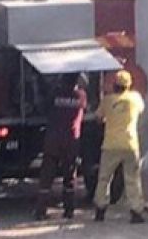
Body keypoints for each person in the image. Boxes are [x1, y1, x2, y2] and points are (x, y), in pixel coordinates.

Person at [93, 69, 145, 223]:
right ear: (129, 85)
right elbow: (141, 110)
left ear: (114, 84)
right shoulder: (136, 98)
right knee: (133, 178)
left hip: (110, 145)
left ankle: (100, 210)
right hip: (131, 144)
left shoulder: (107, 100)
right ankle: (136, 212)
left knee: (104, 178)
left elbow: (97, 118)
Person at [34, 74, 88, 220]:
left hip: (53, 140)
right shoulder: (80, 96)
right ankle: (69, 211)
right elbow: (85, 109)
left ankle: (40, 211)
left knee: (47, 177)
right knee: (69, 177)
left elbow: (43, 107)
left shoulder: (55, 94)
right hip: (71, 141)